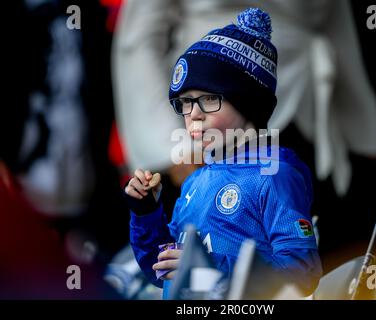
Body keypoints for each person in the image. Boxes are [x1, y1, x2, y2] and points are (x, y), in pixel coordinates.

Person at [123, 8, 322, 299]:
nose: (194, 115)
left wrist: (208, 269)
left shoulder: (275, 174)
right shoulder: (195, 182)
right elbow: (162, 271)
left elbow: (302, 272)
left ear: (249, 103)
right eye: (185, 103)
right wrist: (147, 213)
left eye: (208, 99)